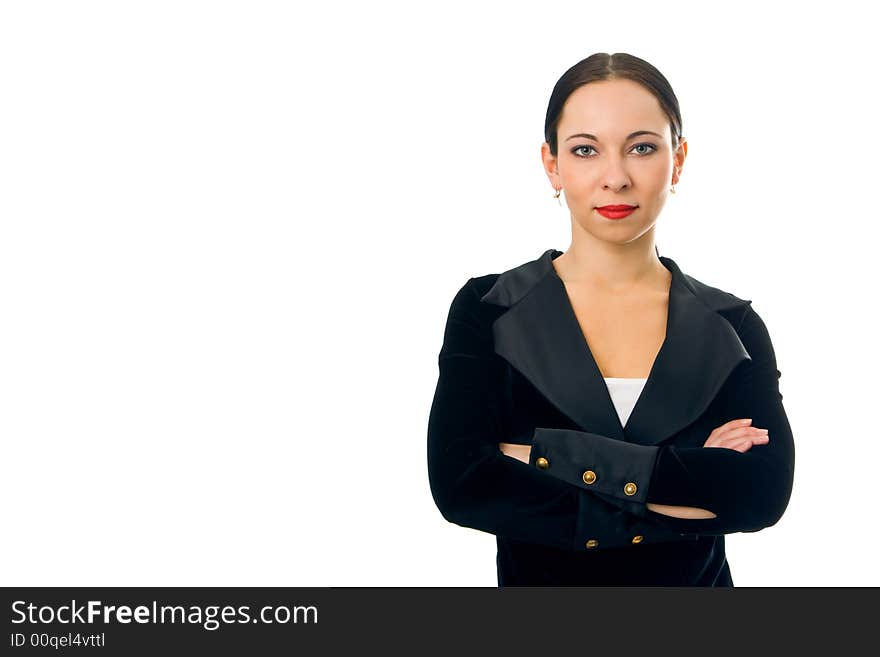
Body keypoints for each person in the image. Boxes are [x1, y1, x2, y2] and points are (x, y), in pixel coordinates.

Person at [426, 52, 795, 586]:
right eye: (585, 150)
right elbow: (462, 486)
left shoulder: (731, 325)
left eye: (642, 148)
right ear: (552, 164)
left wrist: (541, 455)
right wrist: (685, 479)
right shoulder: (489, 309)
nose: (615, 178)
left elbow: (761, 495)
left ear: (679, 159)